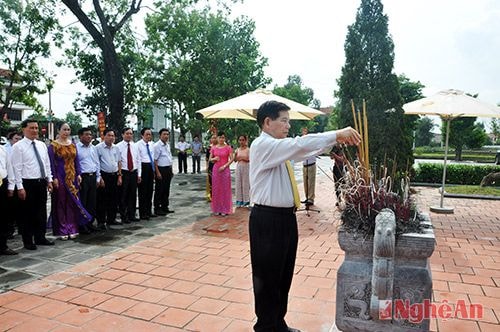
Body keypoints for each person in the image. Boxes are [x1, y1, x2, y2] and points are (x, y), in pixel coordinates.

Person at [249, 101, 361, 332]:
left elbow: (305, 149)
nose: (288, 125)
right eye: (284, 120)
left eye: (289, 121)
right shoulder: (263, 145)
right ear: (267, 122)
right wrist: (337, 134)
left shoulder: (279, 149)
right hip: (267, 220)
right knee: (267, 277)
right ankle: (266, 326)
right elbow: (301, 144)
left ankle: (278, 322)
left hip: (285, 218)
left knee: (283, 275)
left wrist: (333, 142)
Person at [10, 118, 55, 250]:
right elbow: (16, 168)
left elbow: (47, 164)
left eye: (36, 128)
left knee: (41, 212)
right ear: (24, 129)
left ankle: (40, 237)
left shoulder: (41, 145)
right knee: (27, 214)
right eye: (31, 128)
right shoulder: (18, 147)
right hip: (27, 183)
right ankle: (28, 241)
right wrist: (20, 187)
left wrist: (49, 180)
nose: (35, 130)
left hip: (41, 182)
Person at [48, 123, 92, 240]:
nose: (66, 132)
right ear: (59, 131)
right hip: (60, 176)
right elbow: (51, 163)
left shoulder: (72, 145)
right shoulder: (53, 145)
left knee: (72, 202)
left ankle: (72, 227)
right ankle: (62, 229)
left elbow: (76, 161)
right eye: (64, 129)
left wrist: (79, 174)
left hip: (72, 177)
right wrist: (54, 178)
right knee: (61, 202)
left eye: (68, 129)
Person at [95, 128, 121, 229]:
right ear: (104, 136)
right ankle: (101, 221)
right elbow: (96, 163)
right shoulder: (98, 148)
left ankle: (112, 218)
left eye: (113, 136)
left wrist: (119, 175)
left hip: (114, 175)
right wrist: (99, 177)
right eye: (109, 135)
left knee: (113, 199)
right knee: (102, 199)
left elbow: (119, 162)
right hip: (103, 176)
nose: (111, 138)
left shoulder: (116, 148)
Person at [76, 127, 100, 233]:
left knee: (92, 201)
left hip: (93, 176)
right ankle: (82, 225)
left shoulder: (93, 148)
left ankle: (90, 223)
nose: (89, 136)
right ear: (80, 136)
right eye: (86, 134)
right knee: (83, 201)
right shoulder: (76, 148)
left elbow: (97, 163)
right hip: (83, 177)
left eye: (90, 134)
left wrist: (98, 177)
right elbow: (75, 164)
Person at [116, 127, 141, 223]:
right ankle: (124, 215)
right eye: (127, 133)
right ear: (122, 135)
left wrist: (139, 174)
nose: (129, 135)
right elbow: (118, 161)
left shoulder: (135, 146)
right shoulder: (118, 146)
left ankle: (132, 214)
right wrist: (119, 175)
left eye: (131, 133)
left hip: (133, 173)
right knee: (123, 195)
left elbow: (138, 160)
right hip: (124, 173)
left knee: (133, 195)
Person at [208, 132, 233, 216]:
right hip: (216, 170)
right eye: (220, 137)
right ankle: (217, 208)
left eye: (223, 137)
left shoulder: (228, 148)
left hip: (225, 170)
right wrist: (214, 158)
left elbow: (232, 159)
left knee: (225, 188)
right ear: (217, 138)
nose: (221, 139)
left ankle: (225, 209)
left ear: (225, 138)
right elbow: (210, 159)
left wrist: (225, 166)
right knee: (216, 188)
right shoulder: (213, 148)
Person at [5, 130, 22, 239]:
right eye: (16, 139)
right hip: (9, 181)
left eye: (20, 139)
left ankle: (21, 227)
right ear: (11, 139)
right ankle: (9, 230)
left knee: (20, 206)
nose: (18, 141)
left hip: (19, 181)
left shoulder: (21, 148)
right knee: (9, 208)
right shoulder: (5, 149)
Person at [153, 128, 175, 216]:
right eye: (164, 134)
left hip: (168, 169)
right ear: (160, 135)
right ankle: (157, 208)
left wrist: (171, 170)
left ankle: (165, 206)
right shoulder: (157, 146)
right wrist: (157, 172)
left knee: (166, 189)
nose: (166, 136)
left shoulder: (167, 145)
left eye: (167, 134)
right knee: (159, 189)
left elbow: (169, 158)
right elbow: (155, 160)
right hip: (160, 169)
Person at [0, 144, 17, 255]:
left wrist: (11, 186)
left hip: (2, 184)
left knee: (3, 218)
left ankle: (2, 246)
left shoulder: (2, 149)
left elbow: (9, 167)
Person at [136, 128, 156, 220]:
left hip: (150, 167)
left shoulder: (152, 144)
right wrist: (139, 174)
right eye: (147, 134)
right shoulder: (138, 145)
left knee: (150, 190)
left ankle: (148, 211)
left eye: (150, 134)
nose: (148, 136)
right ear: (142, 135)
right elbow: (138, 160)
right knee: (142, 192)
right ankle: (142, 212)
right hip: (142, 167)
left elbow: (152, 157)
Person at [301, 127, 317, 206]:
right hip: (304, 165)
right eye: (303, 131)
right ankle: (307, 197)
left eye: (305, 131)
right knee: (305, 183)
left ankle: (311, 199)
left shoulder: (311, 142)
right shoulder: (302, 142)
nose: (303, 133)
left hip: (311, 164)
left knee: (311, 183)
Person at [234, 135, 250, 207]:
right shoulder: (237, 150)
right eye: (240, 140)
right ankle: (239, 200)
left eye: (243, 140)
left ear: (245, 140)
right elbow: (235, 160)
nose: (241, 142)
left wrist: (242, 158)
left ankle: (246, 200)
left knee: (245, 183)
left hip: (246, 167)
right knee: (238, 183)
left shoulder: (248, 150)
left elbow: (249, 159)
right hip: (239, 167)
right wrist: (235, 156)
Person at [205, 134, 217, 202]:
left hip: (218, 166)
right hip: (211, 166)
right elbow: (207, 159)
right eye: (213, 138)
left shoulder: (219, 147)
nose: (214, 139)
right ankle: (211, 196)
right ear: (211, 139)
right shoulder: (209, 148)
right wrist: (207, 166)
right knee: (211, 181)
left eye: (215, 138)